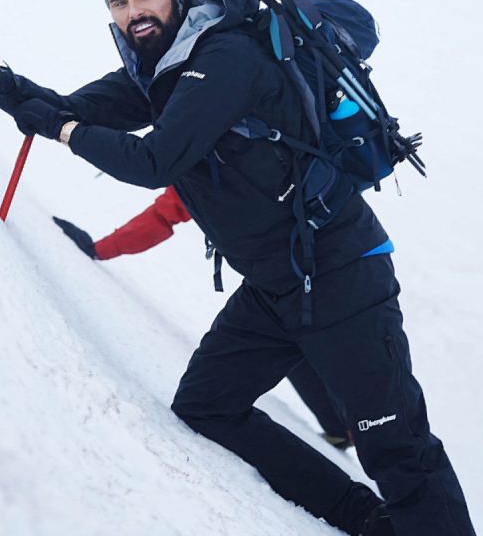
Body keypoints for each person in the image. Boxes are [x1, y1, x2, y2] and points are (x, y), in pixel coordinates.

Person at [0, 0, 475, 535]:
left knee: (398, 449)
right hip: (278, 287)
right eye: (117, 2)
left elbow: (154, 162)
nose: (133, 13)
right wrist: (6, 87)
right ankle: (363, 518)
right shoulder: (166, 67)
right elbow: (80, 107)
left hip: (340, 274)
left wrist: (62, 133)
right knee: (207, 403)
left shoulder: (223, 58)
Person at [52, 186, 353, 449]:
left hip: (298, 273)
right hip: (339, 251)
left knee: (287, 330)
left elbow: (163, 215)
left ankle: (358, 433)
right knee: (295, 333)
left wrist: (99, 249)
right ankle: (344, 428)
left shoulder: (204, 151)